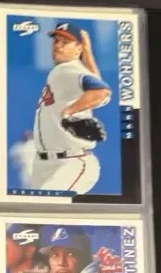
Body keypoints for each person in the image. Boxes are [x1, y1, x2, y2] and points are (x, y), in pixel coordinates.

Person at [30, 22, 110, 194]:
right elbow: (96, 83)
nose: (58, 45)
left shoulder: (68, 69)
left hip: (71, 162)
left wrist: (68, 112)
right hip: (44, 165)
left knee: (45, 206)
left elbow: (102, 92)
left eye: (65, 42)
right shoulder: (65, 71)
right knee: (28, 212)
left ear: (77, 48)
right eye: (56, 41)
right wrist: (86, 52)